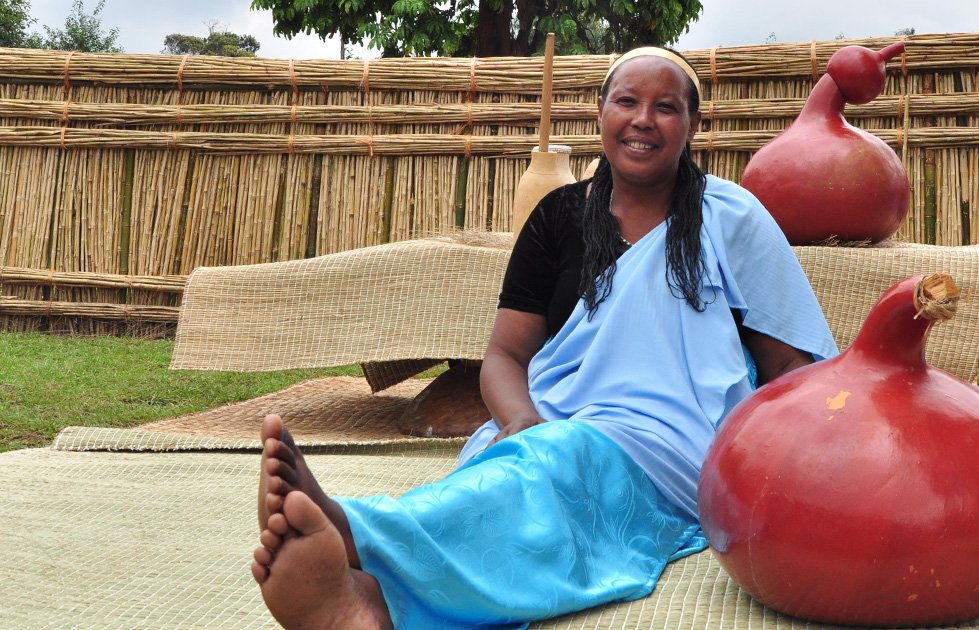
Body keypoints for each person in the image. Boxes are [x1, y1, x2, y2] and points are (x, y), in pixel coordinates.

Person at [250, 47, 838, 629]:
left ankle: (357, 532)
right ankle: (367, 602)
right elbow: (506, 355)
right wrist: (518, 418)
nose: (642, 119)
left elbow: (789, 366)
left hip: (677, 446)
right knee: (512, 478)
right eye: (627, 101)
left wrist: (766, 473)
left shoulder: (735, 219)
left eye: (665, 107)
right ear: (600, 112)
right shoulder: (559, 215)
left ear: (693, 124)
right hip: (553, 421)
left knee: (555, 468)